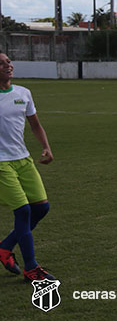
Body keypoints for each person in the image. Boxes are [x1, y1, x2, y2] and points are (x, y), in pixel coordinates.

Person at [0, 53, 56, 282]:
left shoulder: (23, 93)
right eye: (1, 64)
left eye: (8, 61)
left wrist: (46, 147)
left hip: (23, 160)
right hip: (1, 163)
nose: (8, 66)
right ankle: (31, 268)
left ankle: (4, 248)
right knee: (23, 211)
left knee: (41, 208)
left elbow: (35, 124)